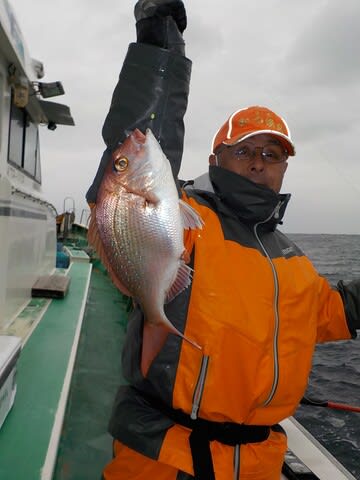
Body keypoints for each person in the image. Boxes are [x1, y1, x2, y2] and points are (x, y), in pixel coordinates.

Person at [86, 2, 360, 479]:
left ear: (284, 167)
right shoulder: (190, 220)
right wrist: (157, 50)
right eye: (245, 150)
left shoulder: (293, 260)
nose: (259, 161)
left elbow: (333, 312)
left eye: (271, 153)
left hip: (258, 463)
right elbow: (144, 139)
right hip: (163, 459)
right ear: (216, 159)